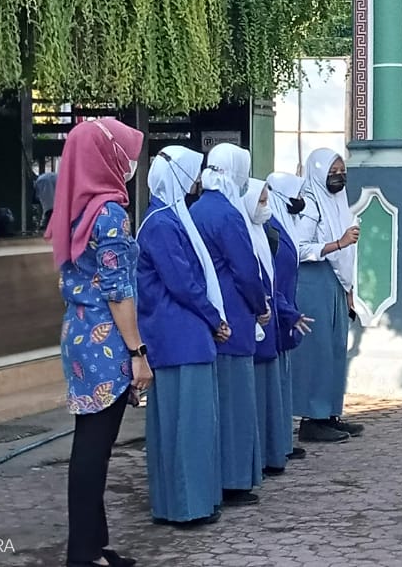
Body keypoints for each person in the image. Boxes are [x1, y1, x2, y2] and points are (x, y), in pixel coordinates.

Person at [44, 119, 151, 567]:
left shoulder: (74, 207)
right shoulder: (109, 213)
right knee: (94, 446)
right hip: (107, 338)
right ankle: (82, 554)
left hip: (79, 332)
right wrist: (138, 353)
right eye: (126, 156)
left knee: (90, 440)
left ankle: (91, 546)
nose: (130, 165)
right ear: (107, 158)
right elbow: (118, 290)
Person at [137, 146, 232, 527]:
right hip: (178, 336)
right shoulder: (162, 222)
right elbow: (182, 283)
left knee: (188, 425)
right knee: (185, 426)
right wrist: (214, 318)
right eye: (192, 173)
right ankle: (185, 506)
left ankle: (191, 502)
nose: (196, 181)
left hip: (184, 334)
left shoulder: (171, 217)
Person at [189, 143, 267, 506]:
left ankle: (217, 477)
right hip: (234, 314)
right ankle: (234, 480)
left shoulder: (195, 209)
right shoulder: (228, 213)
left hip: (206, 317)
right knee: (236, 402)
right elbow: (245, 269)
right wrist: (260, 305)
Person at [289, 148, 361, 443]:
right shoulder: (310, 203)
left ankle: (331, 413)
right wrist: (337, 243)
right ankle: (312, 419)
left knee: (334, 349)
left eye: (342, 171)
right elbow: (300, 247)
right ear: (318, 173)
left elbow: (348, 256)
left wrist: (348, 292)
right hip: (313, 280)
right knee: (317, 351)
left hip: (334, 283)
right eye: (332, 173)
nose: (338, 177)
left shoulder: (337, 201)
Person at [244, 177, 314, 475]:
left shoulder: (275, 226)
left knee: (277, 386)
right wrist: (282, 310)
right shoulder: (259, 231)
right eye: (261, 200)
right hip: (266, 318)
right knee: (261, 391)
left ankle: (278, 444)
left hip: (279, 316)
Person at [265, 171, 315, 461]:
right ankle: (276, 443)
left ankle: (282, 441)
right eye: (296, 194)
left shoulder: (287, 224)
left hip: (285, 311)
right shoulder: (272, 229)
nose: (300, 201)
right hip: (278, 310)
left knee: (283, 380)